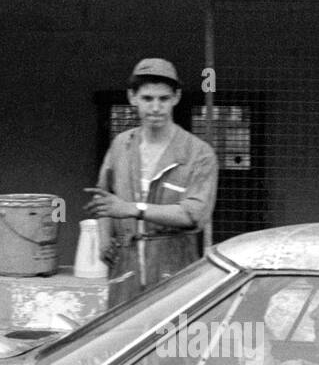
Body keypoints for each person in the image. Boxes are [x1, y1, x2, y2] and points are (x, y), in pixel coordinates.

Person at [84, 58, 219, 307]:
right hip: (126, 267)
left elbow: (194, 215)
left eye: (163, 99)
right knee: (124, 338)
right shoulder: (121, 145)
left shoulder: (198, 153)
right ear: (132, 97)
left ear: (176, 97)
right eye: (147, 98)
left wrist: (133, 209)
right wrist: (104, 240)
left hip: (174, 264)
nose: (156, 107)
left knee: (172, 339)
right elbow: (104, 196)